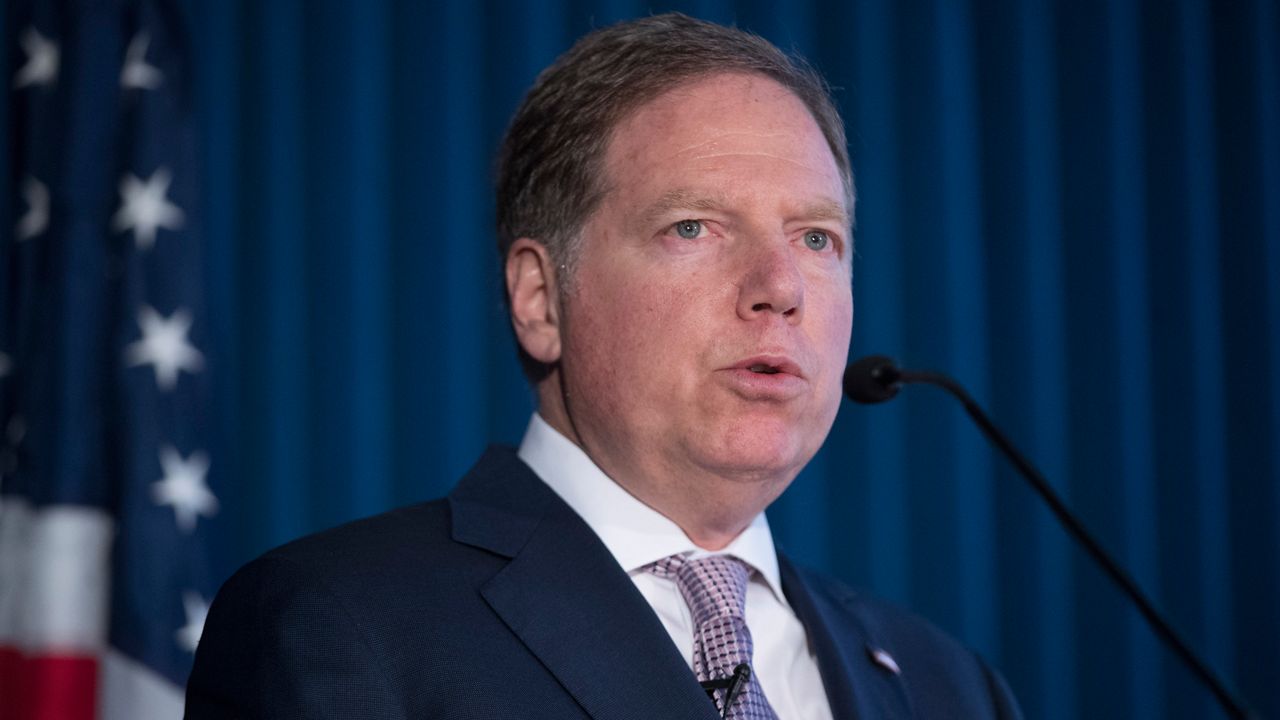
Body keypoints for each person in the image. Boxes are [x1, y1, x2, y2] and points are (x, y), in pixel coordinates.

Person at [185, 13, 1022, 720]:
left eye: (817, 238)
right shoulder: (335, 624)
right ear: (541, 300)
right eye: (694, 227)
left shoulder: (953, 686)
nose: (780, 288)